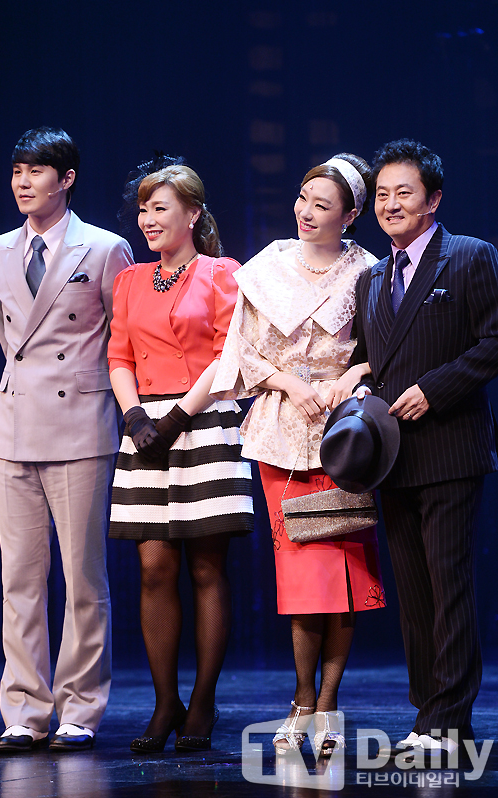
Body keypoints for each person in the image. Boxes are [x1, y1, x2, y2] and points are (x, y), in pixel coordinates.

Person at [211, 154, 385, 757]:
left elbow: (390, 348)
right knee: (302, 574)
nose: (306, 212)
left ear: (350, 216)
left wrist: (355, 373)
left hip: (347, 437)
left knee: (344, 574)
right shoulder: (267, 267)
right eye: (303, 198)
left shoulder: (370, 271)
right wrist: (289, 382)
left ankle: (329, 704)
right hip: (281, 432)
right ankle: (301, 700)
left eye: (322, 205)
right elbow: (241, 352)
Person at [0, 126, 133, 753]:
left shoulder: (104, 248)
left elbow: (120, 337)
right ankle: (23, 709)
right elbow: (7, 335)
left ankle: (80, 706)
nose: (23, 182)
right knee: (19, 578)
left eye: (36, 171)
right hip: (15, 424)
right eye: (17, 170)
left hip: (80, 425)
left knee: (82, 578)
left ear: (66, 179)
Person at [350, 139, 498, 755]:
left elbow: (494, 342)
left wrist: (434, 390)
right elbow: (370, 360)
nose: (390, 204)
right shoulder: (371, 278)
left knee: (448, 583)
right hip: (392, 457)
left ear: (432, 199)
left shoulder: (469, 257)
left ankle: (451, 721)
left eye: (403, 193)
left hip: (449, 449)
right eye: (381, 194)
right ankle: (426, 714)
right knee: (413, 592)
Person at [108, 158, 253, 753]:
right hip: (145, 428)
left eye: (159, 208)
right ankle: (165, 700)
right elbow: (118, 355)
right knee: (154, 568)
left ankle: (203, 701)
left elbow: (226, 355)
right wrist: (136, 416)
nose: (147, 219)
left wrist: (176, 417)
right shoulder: (130, 279)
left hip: (203, 420)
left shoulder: (222, 272)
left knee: (205, 569)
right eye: (143, 209)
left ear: (192, 213)